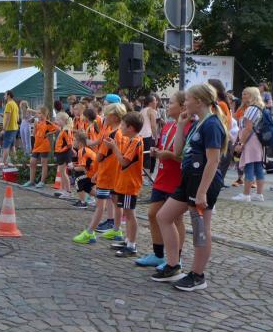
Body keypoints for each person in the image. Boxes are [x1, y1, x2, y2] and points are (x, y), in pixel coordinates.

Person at [152, 83, 227, 291]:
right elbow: (178, 151)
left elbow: (213, 161)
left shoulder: (212, 124)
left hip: (203, 183)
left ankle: (198, 275)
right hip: (188, 180)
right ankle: (173, 266)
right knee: (163, 216)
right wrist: (180, 124)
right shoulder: (197, 123)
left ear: (199, 101)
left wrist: (202, 192)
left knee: (201, 229)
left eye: (187, 99)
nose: (185, 103)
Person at [135, 91, 190, 268]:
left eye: (171, 102)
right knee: (152, 214)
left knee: (176, 219)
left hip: (177, 179)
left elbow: (186, 157)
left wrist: (170, 155)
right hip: (162, 177)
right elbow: (163, 146)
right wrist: (156, 151)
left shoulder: (189, 127)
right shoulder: (168, 125)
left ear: (182, 106)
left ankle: (176, 258)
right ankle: (158, 254)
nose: (167, 105)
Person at [72, 103, 126, 244]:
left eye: (107, 115)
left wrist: (96, 171)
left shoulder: (110, 134)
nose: (103, 117)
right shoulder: (120, 132)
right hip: (114, 173)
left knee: (100, 204)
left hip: (106, 173)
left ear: (114, 117)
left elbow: (101, 156)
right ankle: (117, 230)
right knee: (116, 202)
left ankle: (90, 233)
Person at [106, 111, 145, 257]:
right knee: (128, 214)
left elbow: (124, 162)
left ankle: (131, 245)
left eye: (123, 125)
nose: (120, 127)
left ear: (131, 128)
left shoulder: (136, 142)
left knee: (129, 214)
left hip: (130, 184)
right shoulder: (131, 140)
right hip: (125, 183)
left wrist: (114, 147)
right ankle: (128, 240)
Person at [232, 87, 266, 202]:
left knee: (249, 166)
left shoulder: (251, 109)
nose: (243, 96)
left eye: (245, 94)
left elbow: (248, 128)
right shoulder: (259, 107)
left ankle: (246, 195)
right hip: (256, 140)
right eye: (243, 93)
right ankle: (259, 194)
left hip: (250, 140)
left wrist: (240, 143)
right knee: (258, 167)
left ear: (252, 95)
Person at [23, 106, 57, 187]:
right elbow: (34, 133)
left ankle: (42, 182)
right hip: (36, 145)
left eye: (39, 113)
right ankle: (31, 181)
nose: (38, 115)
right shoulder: (37, 122)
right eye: (38, 113)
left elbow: (56, 128)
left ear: (44, 114)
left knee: (43, 163)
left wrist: (48, 133)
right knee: (32, 162)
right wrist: (34, 130)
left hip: (44, 145)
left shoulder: (47, 122)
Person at [70, 131, 96, 209]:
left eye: (74, 140)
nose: (73, 142)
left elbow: (82, 168)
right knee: (86, 187)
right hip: (93, 172)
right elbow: (84, 165)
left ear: (80, 142)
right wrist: (75, 165)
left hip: (93, 173)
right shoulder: (84, 149)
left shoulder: (82, 151)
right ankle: (103, 197)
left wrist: (72, 167)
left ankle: (82, 202)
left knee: (78, 180)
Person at [52, 112, 74, 199]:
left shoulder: (66, 130)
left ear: (63, 120)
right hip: (61, 153)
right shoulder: (63, 129)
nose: (56, 122)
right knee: (62, 172)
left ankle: (68, 191)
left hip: (63, 153)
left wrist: (64, 151)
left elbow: (69, 144)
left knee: (63, 173)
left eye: (58, 120)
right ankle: (64, 190)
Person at [139, 94, 159, 174]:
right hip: (148, 136)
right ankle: (148, 176)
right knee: (150, 157)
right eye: (155, 101)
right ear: (151, 103)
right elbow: (153, 126)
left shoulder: (142, 111)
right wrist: (156, 138)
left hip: (140, 136)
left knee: (143, 156)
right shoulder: (151, 110)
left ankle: (143, 174)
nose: (156, 102)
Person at [0, 90, 19, 165]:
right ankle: (15, 163)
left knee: (6, 146)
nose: (4, 96)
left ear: (8, 96)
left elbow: (8, 118)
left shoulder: (8, 104)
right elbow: (17, 118)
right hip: (14, 128)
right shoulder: (15, 104)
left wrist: (4, 129)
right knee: (12, 146)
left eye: (5, 95)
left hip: (9, 129)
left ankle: (3, 164)